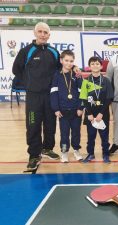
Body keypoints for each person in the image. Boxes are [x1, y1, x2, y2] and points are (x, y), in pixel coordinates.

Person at [12, 22, 79, 171]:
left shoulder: (54, 52)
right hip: (33, 96)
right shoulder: (26, 51)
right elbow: (16, 69)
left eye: (45, 32)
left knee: (50, 123)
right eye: (40, 31)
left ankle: (47, 148)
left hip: (50, 96)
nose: (43, 34)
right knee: (33, 125)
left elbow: (63, 67)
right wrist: (30, 84)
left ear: (49, 35)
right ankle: (34, 155)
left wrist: (74, 67)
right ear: (35, 33)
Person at [50, 50, 84, 163]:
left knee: (76, 133)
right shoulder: (56, 75)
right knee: (64, 133)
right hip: (63, 111)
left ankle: (76, 150)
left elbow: (82, 91)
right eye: (66, 60)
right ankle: (64, 152)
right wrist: (56, 109)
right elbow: (53, 92)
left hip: (76, 111)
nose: (69, 63)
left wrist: (80, 107)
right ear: (61, 60)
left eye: (71, 61)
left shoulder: (77, 74)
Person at [79, 57, 113, 163]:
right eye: (92, 64)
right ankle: (90, 154)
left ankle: (106, 154)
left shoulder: (106, 80)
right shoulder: (86, 81)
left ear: (101, 66)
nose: (95, 65)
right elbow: (84, 99)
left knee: (104, 136)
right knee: (91, 136)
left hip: (103, 114)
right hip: (90, 115)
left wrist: (101, 113)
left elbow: (109, 98)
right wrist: (89, 113)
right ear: (89, 67)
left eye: (97, 63)